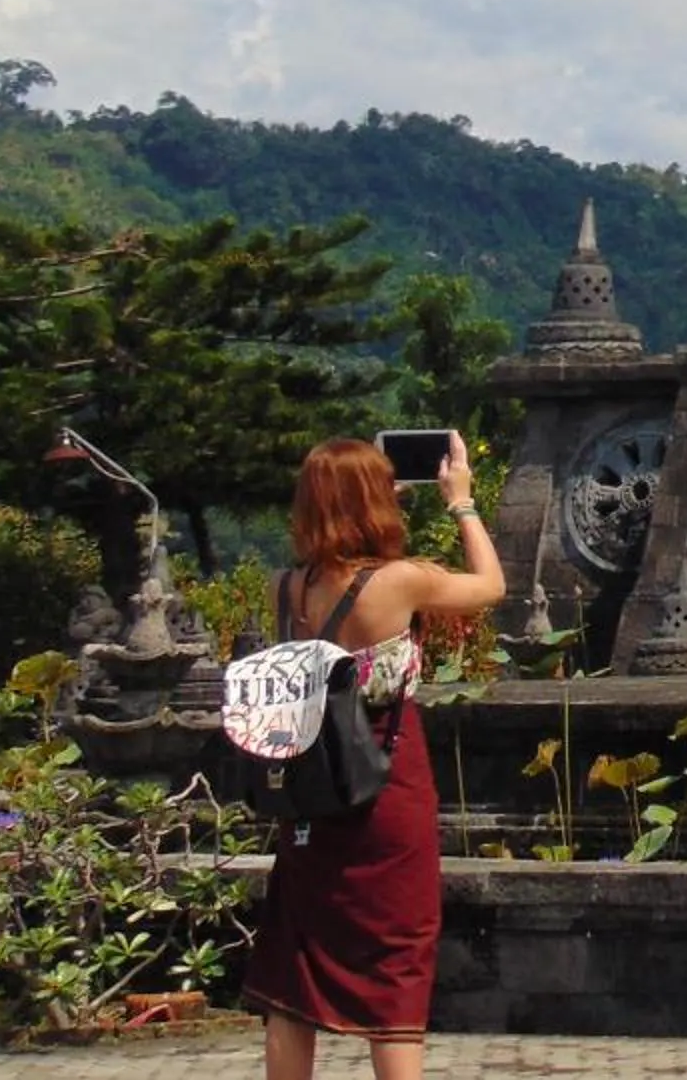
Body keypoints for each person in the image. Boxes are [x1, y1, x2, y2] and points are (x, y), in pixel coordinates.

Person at [241, 434, 505, 1080]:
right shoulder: (398, 581)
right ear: (372, 501)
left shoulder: (286, 588)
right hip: (385, 783)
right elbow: (491, 586)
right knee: (395, 957)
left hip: (310, 789)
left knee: (296, 963)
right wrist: (461, 502)